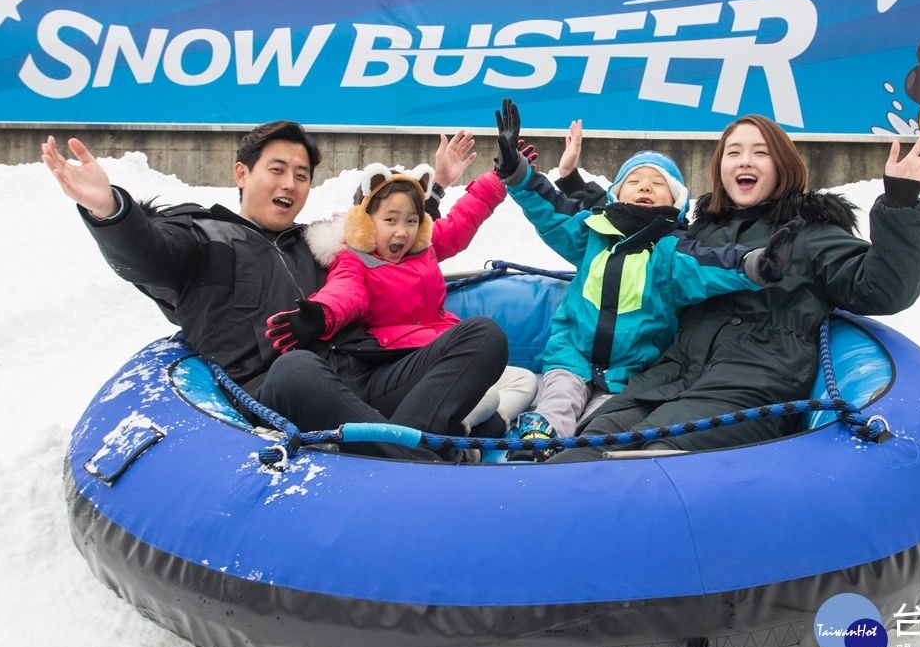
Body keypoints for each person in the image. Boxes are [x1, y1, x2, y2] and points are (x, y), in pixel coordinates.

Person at [42, 122, 506, 461]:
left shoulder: (318, 242)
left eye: (301, 175)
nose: (290, 184)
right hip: (281, 390)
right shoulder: (202, 238)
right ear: (242, 173)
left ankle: (404, 446)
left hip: (360, 375)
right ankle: (421, 463)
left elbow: (396, 232)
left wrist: (438, 186)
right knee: (295, 366)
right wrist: (110, 211)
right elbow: (147, 252)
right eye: (278, 169)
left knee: (483, 335)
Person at [548, 114, 920, 462]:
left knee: (646, 461)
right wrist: (572, 182)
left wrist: (900, 202)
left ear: (782, 165)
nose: (745, 160)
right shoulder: (699, 232)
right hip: (668, 378)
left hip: (750, 387)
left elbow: (883, 290)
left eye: (760, 152)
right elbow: (628, 220)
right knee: (586, 446)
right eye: (733, 152)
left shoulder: (809, 232)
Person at [491, 100, 797, 455]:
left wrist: (757, 264)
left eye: (658, 184)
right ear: (616, 194)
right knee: (557, 406)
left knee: (596, 429)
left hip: (630, 375)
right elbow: (551, 208)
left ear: (676, 200)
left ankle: (576, 463)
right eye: (634, 181)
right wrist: (517, 173)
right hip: (571, 357)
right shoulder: (590, 231)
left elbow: (716, 264)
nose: (645, 187)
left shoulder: (672, 253)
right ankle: (535, 448)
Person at [262, 161, 533, 439]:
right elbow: (345, 292)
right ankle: (425, 440)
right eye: (390, 220)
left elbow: (461, 221)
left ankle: (463, 429)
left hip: (437, 357)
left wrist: (500, 177)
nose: (402, 231)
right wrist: (322, 314)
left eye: (411, 221)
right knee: (486, 380)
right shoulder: (356, 261)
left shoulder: (422, 249)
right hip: (395, 368)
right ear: (365, 223)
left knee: (525, 380)